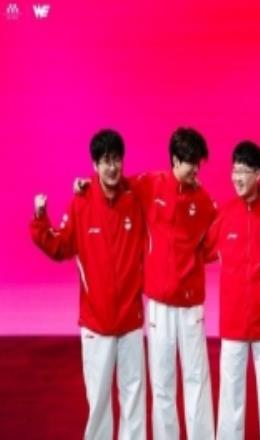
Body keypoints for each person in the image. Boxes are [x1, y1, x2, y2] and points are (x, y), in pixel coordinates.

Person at [74, 127, 217, 440]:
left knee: (196, 379)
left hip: (191, 304)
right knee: (161, 382)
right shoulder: (150, 184)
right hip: (158, 305)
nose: (196, 169)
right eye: (191, 162)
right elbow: (115, 183)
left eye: (198, 163)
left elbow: (214, 242)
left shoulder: (204, 200)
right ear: (175, 160)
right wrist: (87, 184)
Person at [30, 129, 146, 440]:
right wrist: (40, 218)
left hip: (131, 320)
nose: (113, 167)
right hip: (96, 322)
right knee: (99, 402)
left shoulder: (135, 199)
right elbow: (60, 247)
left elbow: (160, 187)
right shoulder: (80, 204)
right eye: (106, 161)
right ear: (95, 165)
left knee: (134, 398)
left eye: (117, 159)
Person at [204, 141, 260, 440]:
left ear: (258, 173)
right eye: (234, 170)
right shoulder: (225, 215)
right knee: (230, 399)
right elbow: (199, 251)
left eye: (243, 171)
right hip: (233, 325)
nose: (237, 177)